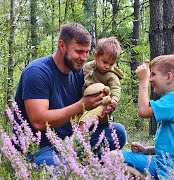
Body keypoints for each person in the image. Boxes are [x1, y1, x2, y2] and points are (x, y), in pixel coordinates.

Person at [14, 23, 127, 166]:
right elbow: (38, 122)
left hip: (70, 140)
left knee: (118, 132)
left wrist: (101, 110)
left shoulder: (81, 72)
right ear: (62, 46)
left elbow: (87, 111)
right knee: (62, 169)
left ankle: (80, 160)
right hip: (38, 146)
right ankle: (79, 163)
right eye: (79, 51)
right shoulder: (37, 72)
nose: (84, 57)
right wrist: (82, 106)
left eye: (87, 52)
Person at [120, 55, 174, 179]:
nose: (150, 79)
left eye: (153, 75)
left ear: (168, 77)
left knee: (113, 158)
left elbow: (143, 111)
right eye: (150, 75)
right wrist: (146, 150)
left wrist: (143, 80)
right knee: (114, 159)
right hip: (161, 164)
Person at [81, 36, 124, 123]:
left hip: (101, 106)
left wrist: (114, 99)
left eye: (111, 64)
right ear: (96, 56)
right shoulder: (87, 67)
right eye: (104, 62)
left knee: (84, 122)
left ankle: (77, 136)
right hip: (84, 103)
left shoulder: (111, 75)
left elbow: (116, 88)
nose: (107, 66)